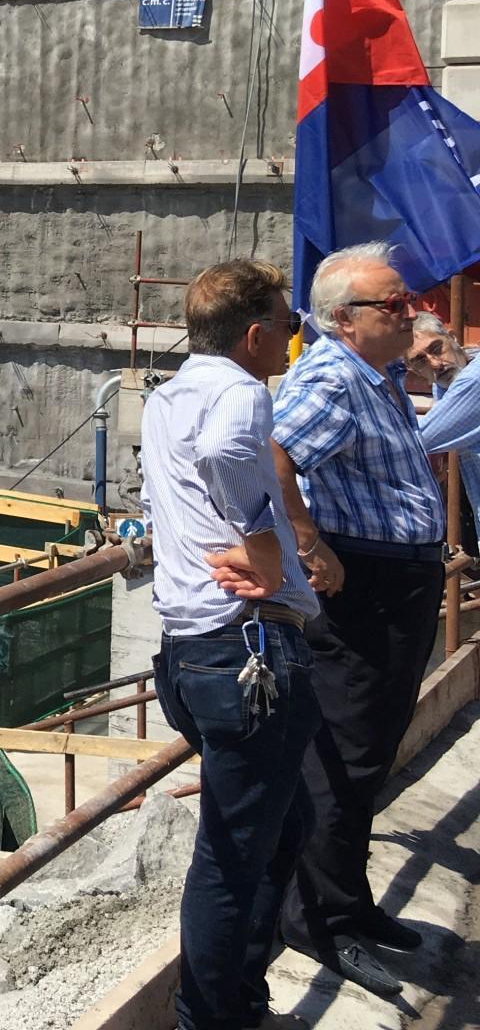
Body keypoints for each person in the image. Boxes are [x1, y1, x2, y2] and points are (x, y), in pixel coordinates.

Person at [140, 260, 323, 1030]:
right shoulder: (242, 392)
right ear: (254, 335)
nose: (291, 339)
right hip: (246, 652)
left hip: (190, 655)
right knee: (229, 859)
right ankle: (209, 1018)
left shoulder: (165, 398)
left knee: (283, 828)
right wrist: (266, 546)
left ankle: (238, 998)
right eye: (287, 325)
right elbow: (224, 455)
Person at [271, 242, 444, 995]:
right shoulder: (333, 377)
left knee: (370, 750)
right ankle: (319, 919)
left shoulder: (377, 376)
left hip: (395, 584)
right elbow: (273, 452)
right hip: (364, 590)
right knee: (342, 757)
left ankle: (348, 900)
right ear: (345, 319)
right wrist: (309, 544)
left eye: (409, 301)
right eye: (395, 304)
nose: (412, 313)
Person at [412, 311, 480, 556]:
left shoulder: (473, 380)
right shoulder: (449, 380)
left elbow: (416, 442)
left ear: (452, 337)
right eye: (420, 361)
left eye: (436, 348)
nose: (435, 363)